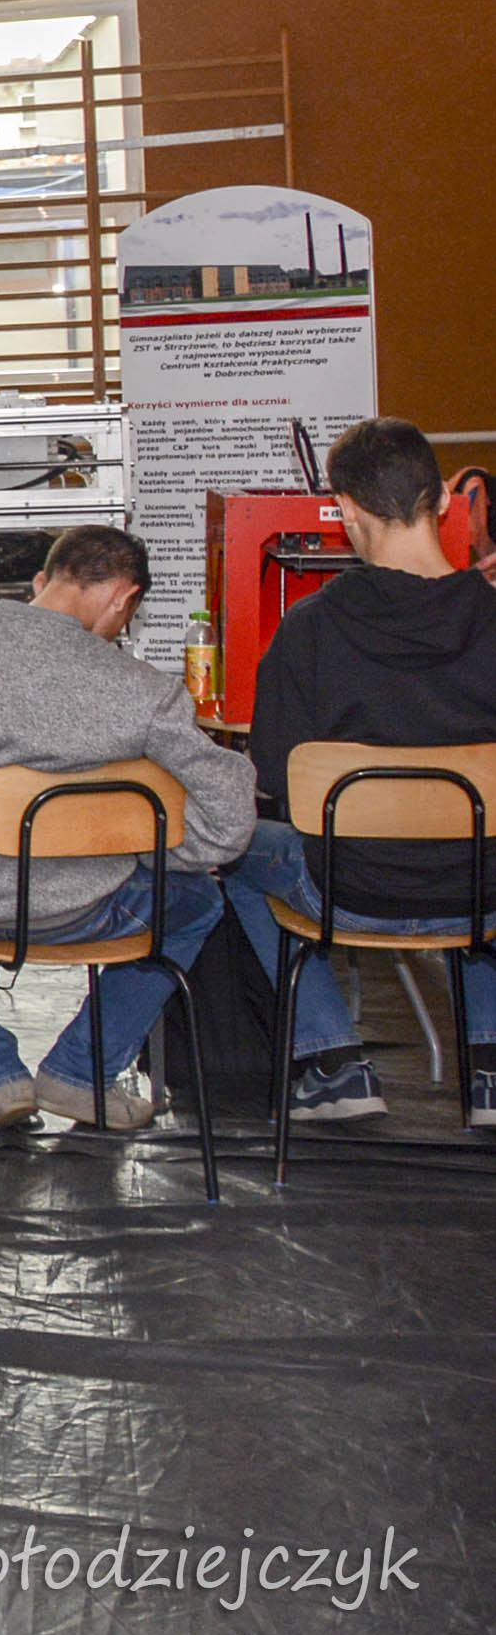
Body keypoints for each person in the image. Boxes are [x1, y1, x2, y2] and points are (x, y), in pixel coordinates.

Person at [0, 524, 252, 1130]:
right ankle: (80, 1073)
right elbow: (229, 822)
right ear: (123, 596)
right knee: (197, 903)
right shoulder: (144, 691)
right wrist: (148, 851)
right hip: (78, 911)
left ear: (44, 581)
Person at [222, 418, 496, 1129]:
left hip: (348, 891)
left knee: (233, 854)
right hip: (485, 893)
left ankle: (333, 1064)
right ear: (444, 501)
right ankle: (492, 1070)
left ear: (344, 510)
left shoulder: (309, 627)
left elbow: (277, 778)